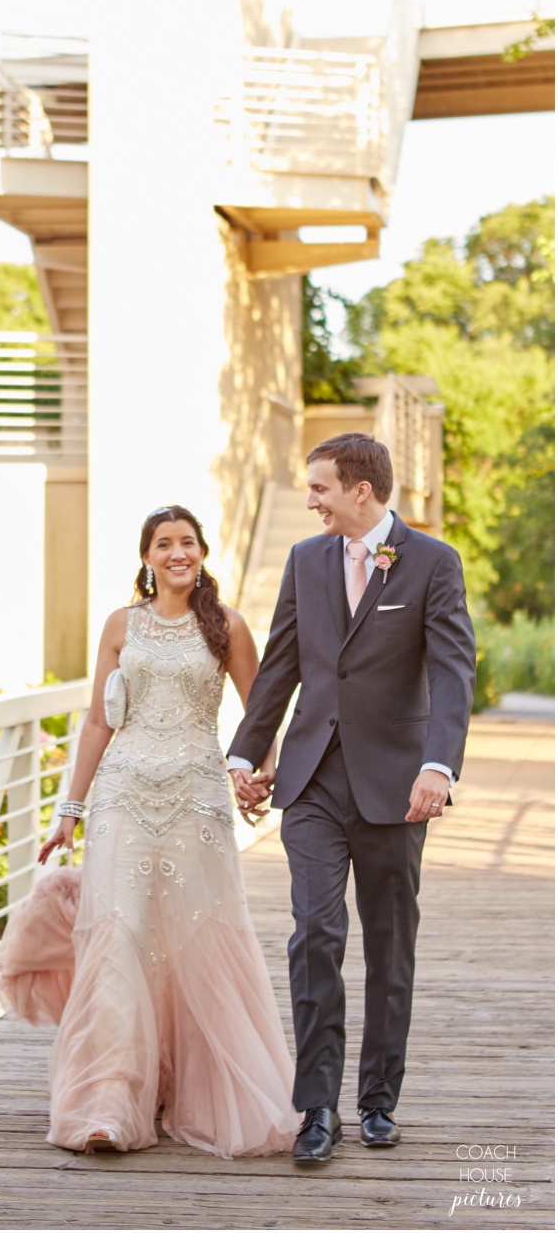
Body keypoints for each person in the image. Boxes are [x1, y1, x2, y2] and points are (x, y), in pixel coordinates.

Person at [0, 505, 299, 1158]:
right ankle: (108, 1102)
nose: (177, 553)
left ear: (202, 551)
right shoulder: (119, 625)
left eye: (187, 542)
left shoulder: (228, 626)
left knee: (195, 940)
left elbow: (261, 715)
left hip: (196, 798)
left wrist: (259, 778)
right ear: (147, 556)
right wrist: (69, 812)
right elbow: (98, 724)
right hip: (123, 800)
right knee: (119, 941)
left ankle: (198, 1091)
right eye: (164, 544)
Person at [228, 433, 476, 1163]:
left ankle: (376, 1102)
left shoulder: (433, 563)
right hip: (311, 781)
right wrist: (246, 752)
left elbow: (455, 673)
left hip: (399, 786)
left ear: (360, 490)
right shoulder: (306, 561)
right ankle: (316, 1109)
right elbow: (279, 664)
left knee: (390, 944)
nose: (310, 501)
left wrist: (439, 765)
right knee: (314, 934)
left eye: (319, 488)